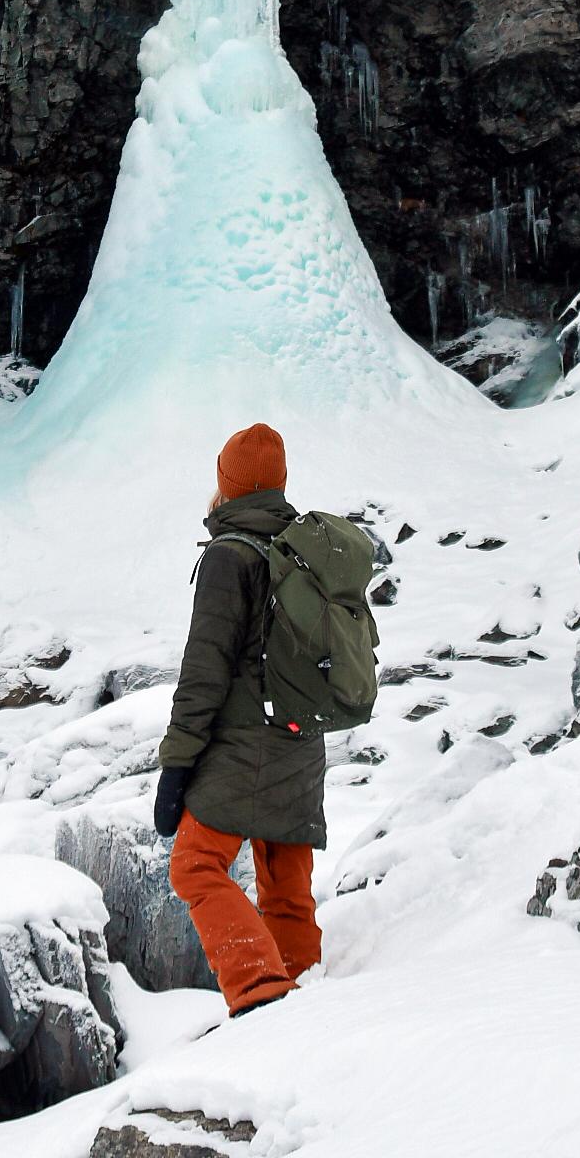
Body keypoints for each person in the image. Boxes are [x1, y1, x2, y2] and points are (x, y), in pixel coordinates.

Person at [153, 421, 325, 1017]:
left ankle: (259, 992)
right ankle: (307, 985)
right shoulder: (305, 550)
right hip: (302, 741)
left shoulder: (230, 557)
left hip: (244, 746)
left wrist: (176, 766)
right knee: (285, 883)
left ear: (227, 485)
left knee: (195, 865)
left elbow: (204, 673)